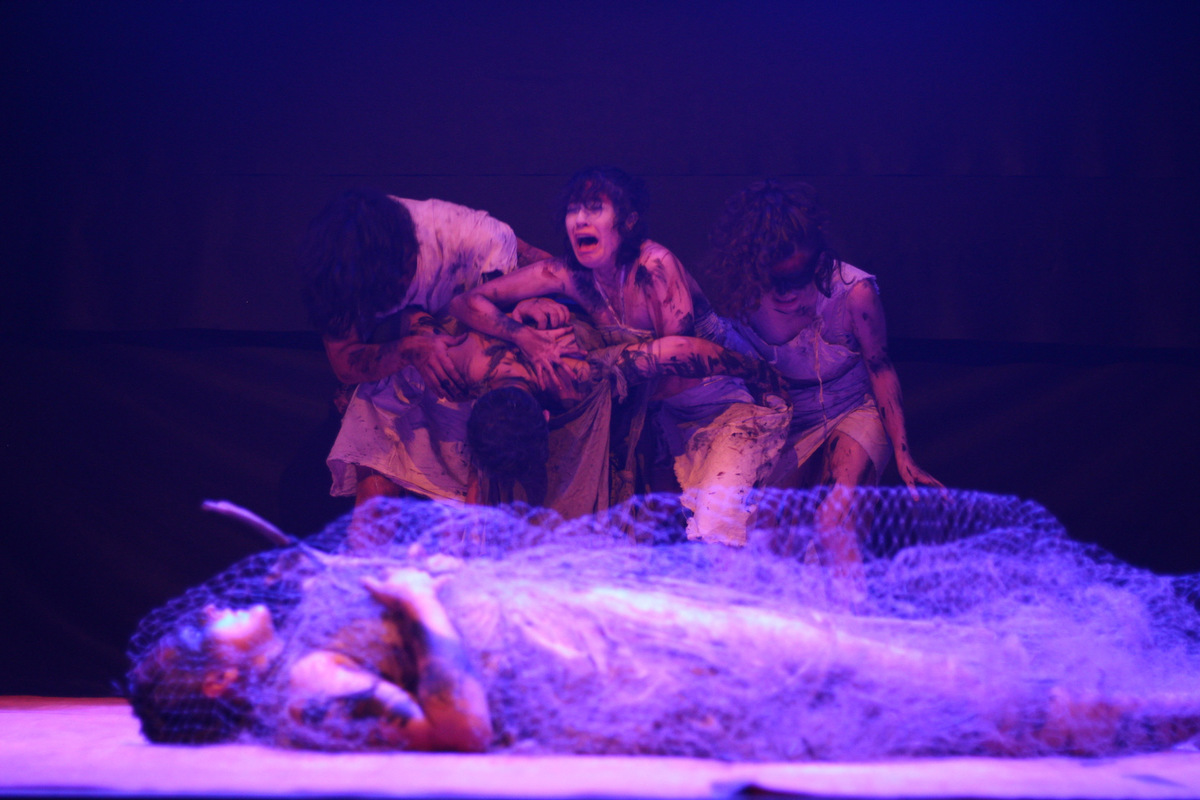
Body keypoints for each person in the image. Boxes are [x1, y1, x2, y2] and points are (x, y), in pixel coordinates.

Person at [127, 489, 1200, 759]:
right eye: (201, 631)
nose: (212, 606)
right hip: (601, 672)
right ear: (215, 679)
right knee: (867, 677)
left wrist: (430, 584)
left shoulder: (301, 639)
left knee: (866, 655)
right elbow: (458, 724)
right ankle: (1121, 714)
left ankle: (1115, 706)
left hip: (597, 626)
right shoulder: (304, 687)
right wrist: (419, 599)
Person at [450, 168, 790, 541]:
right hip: (659, 416)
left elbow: (681, 364)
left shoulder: (654, 267)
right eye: (573, 209)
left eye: (594, 208)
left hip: (719, 403)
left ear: (628, 222)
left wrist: (598, 376)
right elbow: (466, 303)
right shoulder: (570, 273)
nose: (580, 219)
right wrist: (527, 338)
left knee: (715, 526)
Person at [703, 181, 943, 571]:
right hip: (789, 421)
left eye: (796, 280)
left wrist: (904, 455)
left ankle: (851, 605)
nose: (785, 294)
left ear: (816, 262)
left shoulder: (853, 292)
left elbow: (880, 366)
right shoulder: (742, 298)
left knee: (834, 522)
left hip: (854, 408)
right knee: (762, 536)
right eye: (773, 281)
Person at [299, 188, 550, 506]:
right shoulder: (339, 267)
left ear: (410, 251)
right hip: (398, 358)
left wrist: (531, 306)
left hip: (474, 356)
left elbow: (546, 271)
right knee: (376, 476)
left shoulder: (470, 238)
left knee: (490, 452)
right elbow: (345, 362)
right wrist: (410, 349)